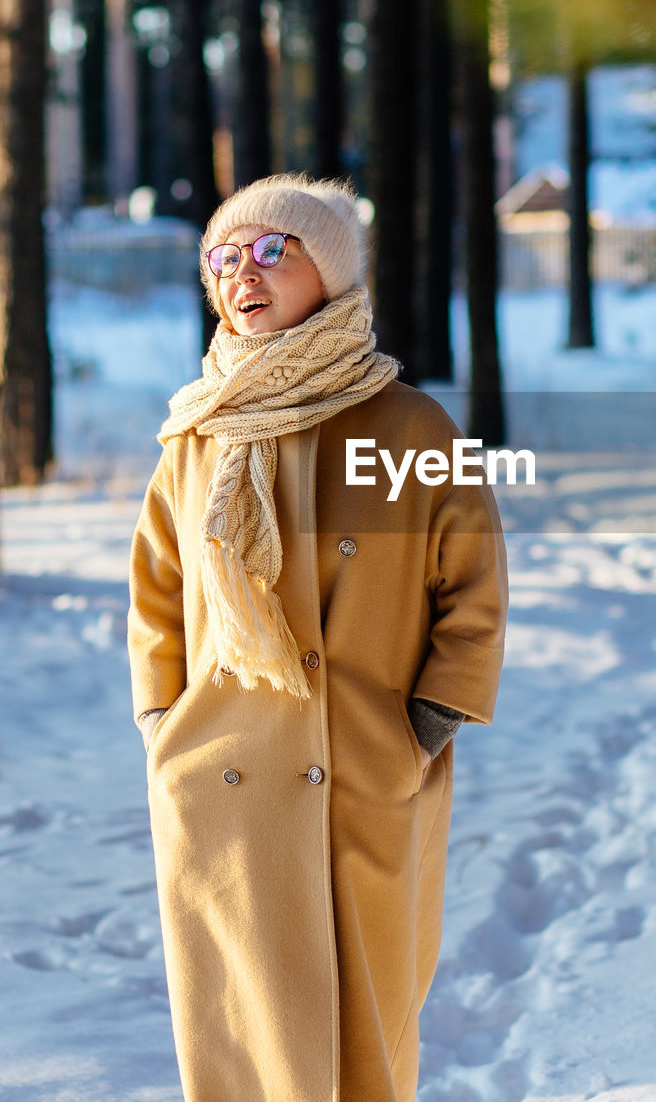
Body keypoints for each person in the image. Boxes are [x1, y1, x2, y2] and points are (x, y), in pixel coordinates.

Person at [127, 172, 508, 1102]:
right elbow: (159, 594)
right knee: (238, 1023)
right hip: (222, 775)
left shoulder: (405, 424)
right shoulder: (196, 435)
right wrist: (162, 720)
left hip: (364, 761)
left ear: (329, 272)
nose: (240, 274)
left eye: (269, 251)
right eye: (222, 258)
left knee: (369, 1011)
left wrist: (430, 716)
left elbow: (472, 582)